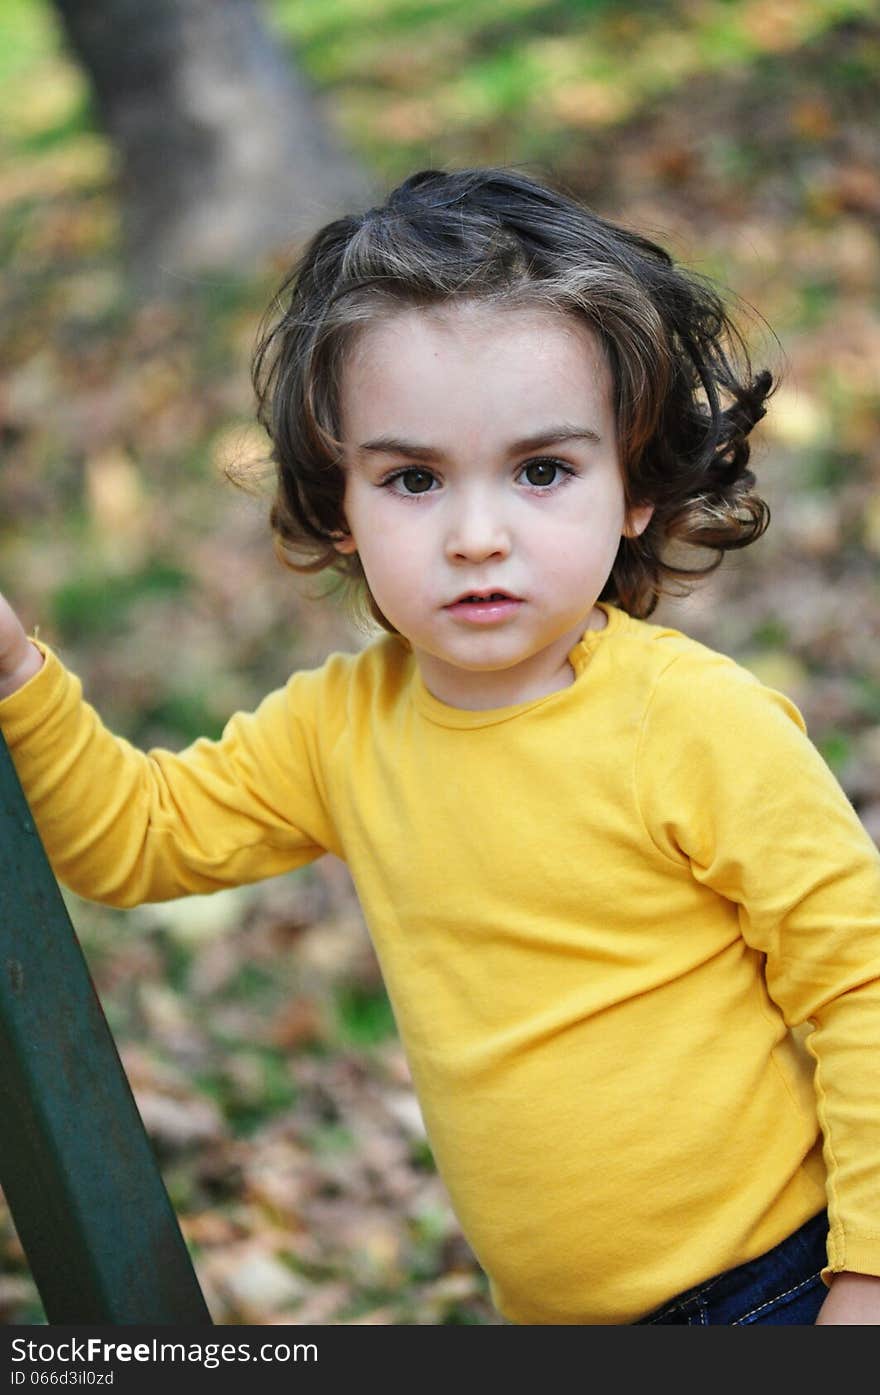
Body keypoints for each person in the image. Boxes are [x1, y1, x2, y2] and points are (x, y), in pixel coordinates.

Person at [1, 167, 879, 1326]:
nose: (476, 537)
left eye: (541, 471)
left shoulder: (695, 724)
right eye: (412, 479)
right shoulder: (341, 726)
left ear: (631, 486)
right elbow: (138, 842)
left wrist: (863, 1286)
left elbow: (860, 985)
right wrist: (19, 674)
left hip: (775, 1281)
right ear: (338, 509)